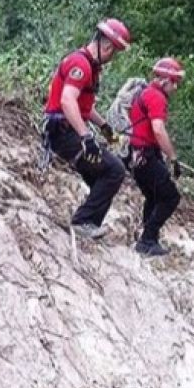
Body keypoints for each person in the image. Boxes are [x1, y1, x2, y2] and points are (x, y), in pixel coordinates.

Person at [42, 18, 132, 240]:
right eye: (114, 53)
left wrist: (105, 129)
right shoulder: (80, 65)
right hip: (62, 134)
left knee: (104, 174)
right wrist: (86, 137)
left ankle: (88, 222)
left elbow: (84, 107)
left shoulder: (90, 66)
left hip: (67, 131)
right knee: (115, 170)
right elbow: (67, 101)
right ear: (107, 46)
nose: (113, 58)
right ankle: (83, 223)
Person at [128, 57, 185, 257]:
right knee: (170, 197)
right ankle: (147, 239)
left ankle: (148, 237)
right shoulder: (156, 97)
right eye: (174, 82)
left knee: (153, 196)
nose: (175, 88)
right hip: (146, 154)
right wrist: (173, 158)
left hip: (137, 154)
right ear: (164, 80)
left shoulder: (143, 93)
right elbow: (158, 130)